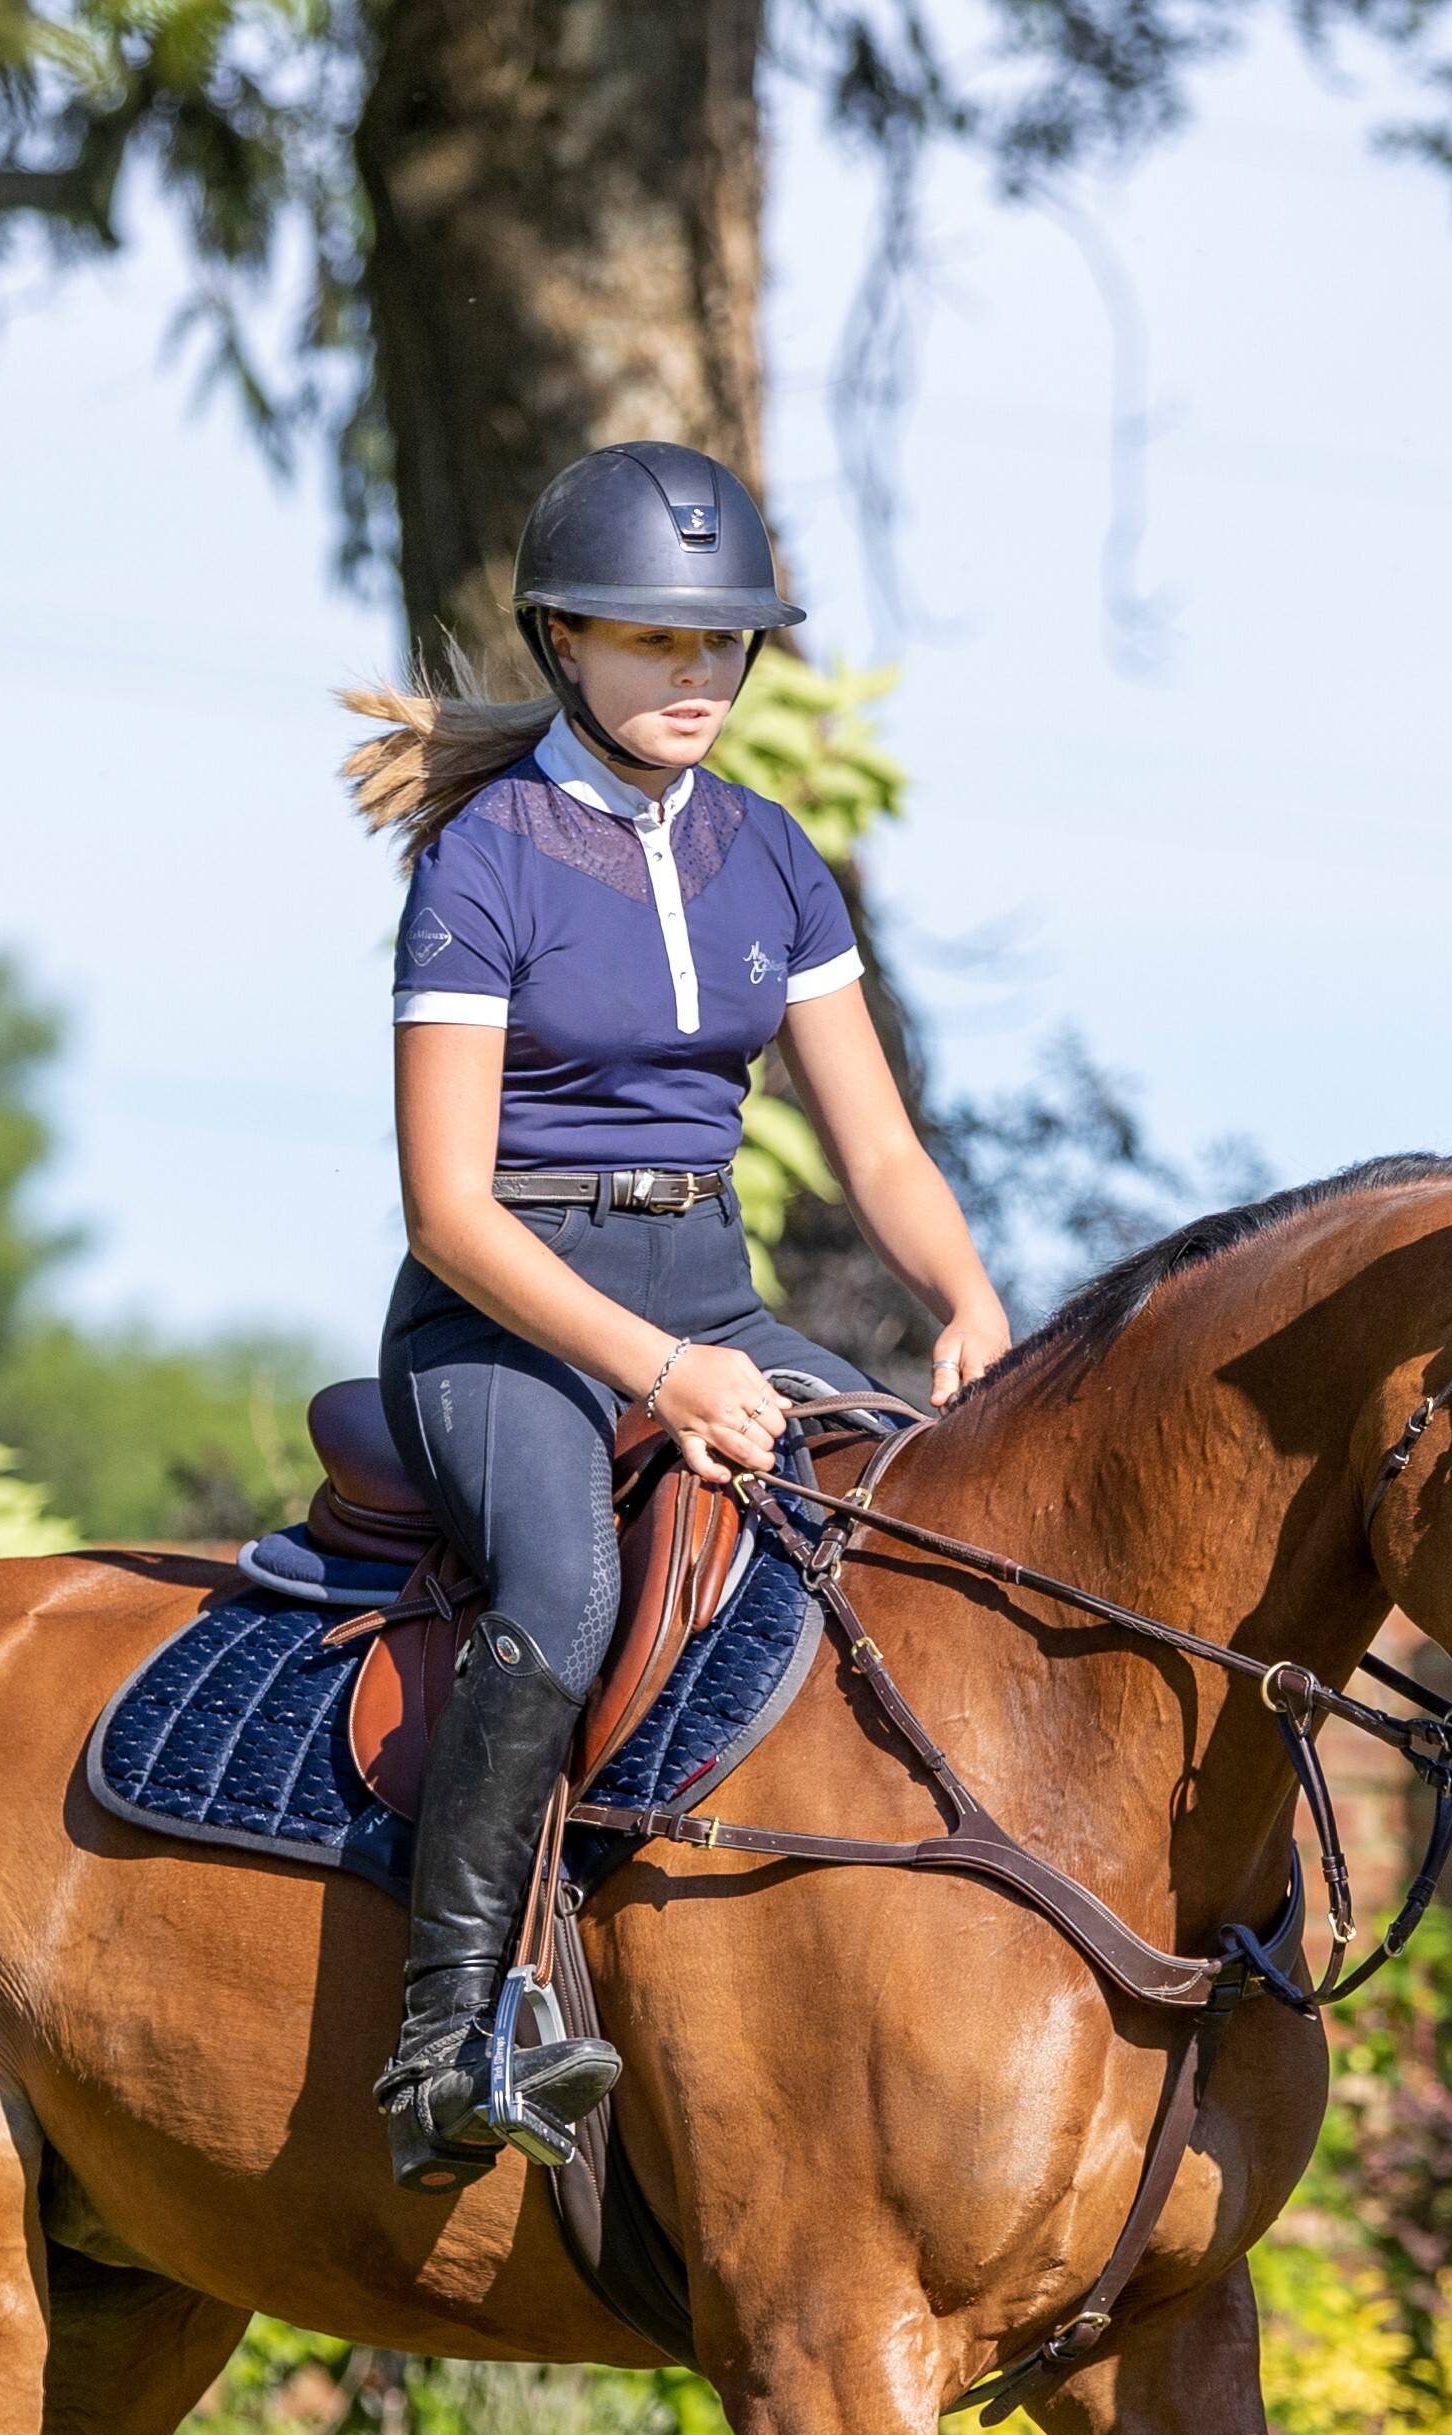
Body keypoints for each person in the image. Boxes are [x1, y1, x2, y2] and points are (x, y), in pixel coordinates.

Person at [343, 439, 1013, 2192]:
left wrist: (965, 1296)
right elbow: (448, 1207)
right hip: (509, 1324)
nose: (699, 678)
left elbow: (875, 1140)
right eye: (659, 644)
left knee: (920, 1526)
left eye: (723, 647)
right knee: (563, 1593)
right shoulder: (485, 863)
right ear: (565, 638)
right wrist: (657, 1372)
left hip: (715, 1290)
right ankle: (447, 2039)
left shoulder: (772, 857)